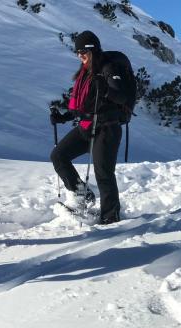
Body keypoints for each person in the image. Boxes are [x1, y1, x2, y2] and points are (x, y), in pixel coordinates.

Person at [50, 31, 129, 224]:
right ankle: (82, 194)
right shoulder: (84, 72)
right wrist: (63, 117)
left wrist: (107, 89)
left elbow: (121, 96)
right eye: (77, 52)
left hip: (107, 129)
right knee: (58, 155)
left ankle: (111, 217)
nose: (80, 55)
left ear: (92, 49)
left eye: (83, 51)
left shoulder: (108, 68)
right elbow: (83, 105)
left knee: (103, 173)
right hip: (87, 126)